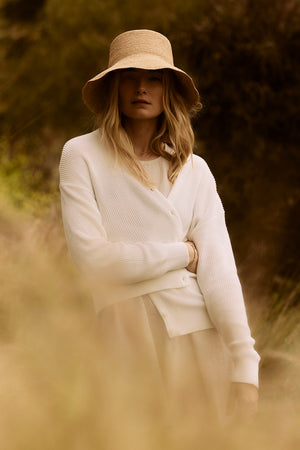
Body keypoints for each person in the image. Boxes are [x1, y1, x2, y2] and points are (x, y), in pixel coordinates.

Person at [59, 29, 259, 425]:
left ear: (169, 89)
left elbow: (219, 272)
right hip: (123, 334)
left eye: (154, 78)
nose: (141, 88)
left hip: (199, 334)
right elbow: (94, 262)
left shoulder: (195, 170)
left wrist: (244, 363)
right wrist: (181, 253)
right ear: (114, 86)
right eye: (129, 77)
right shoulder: (81, 155)